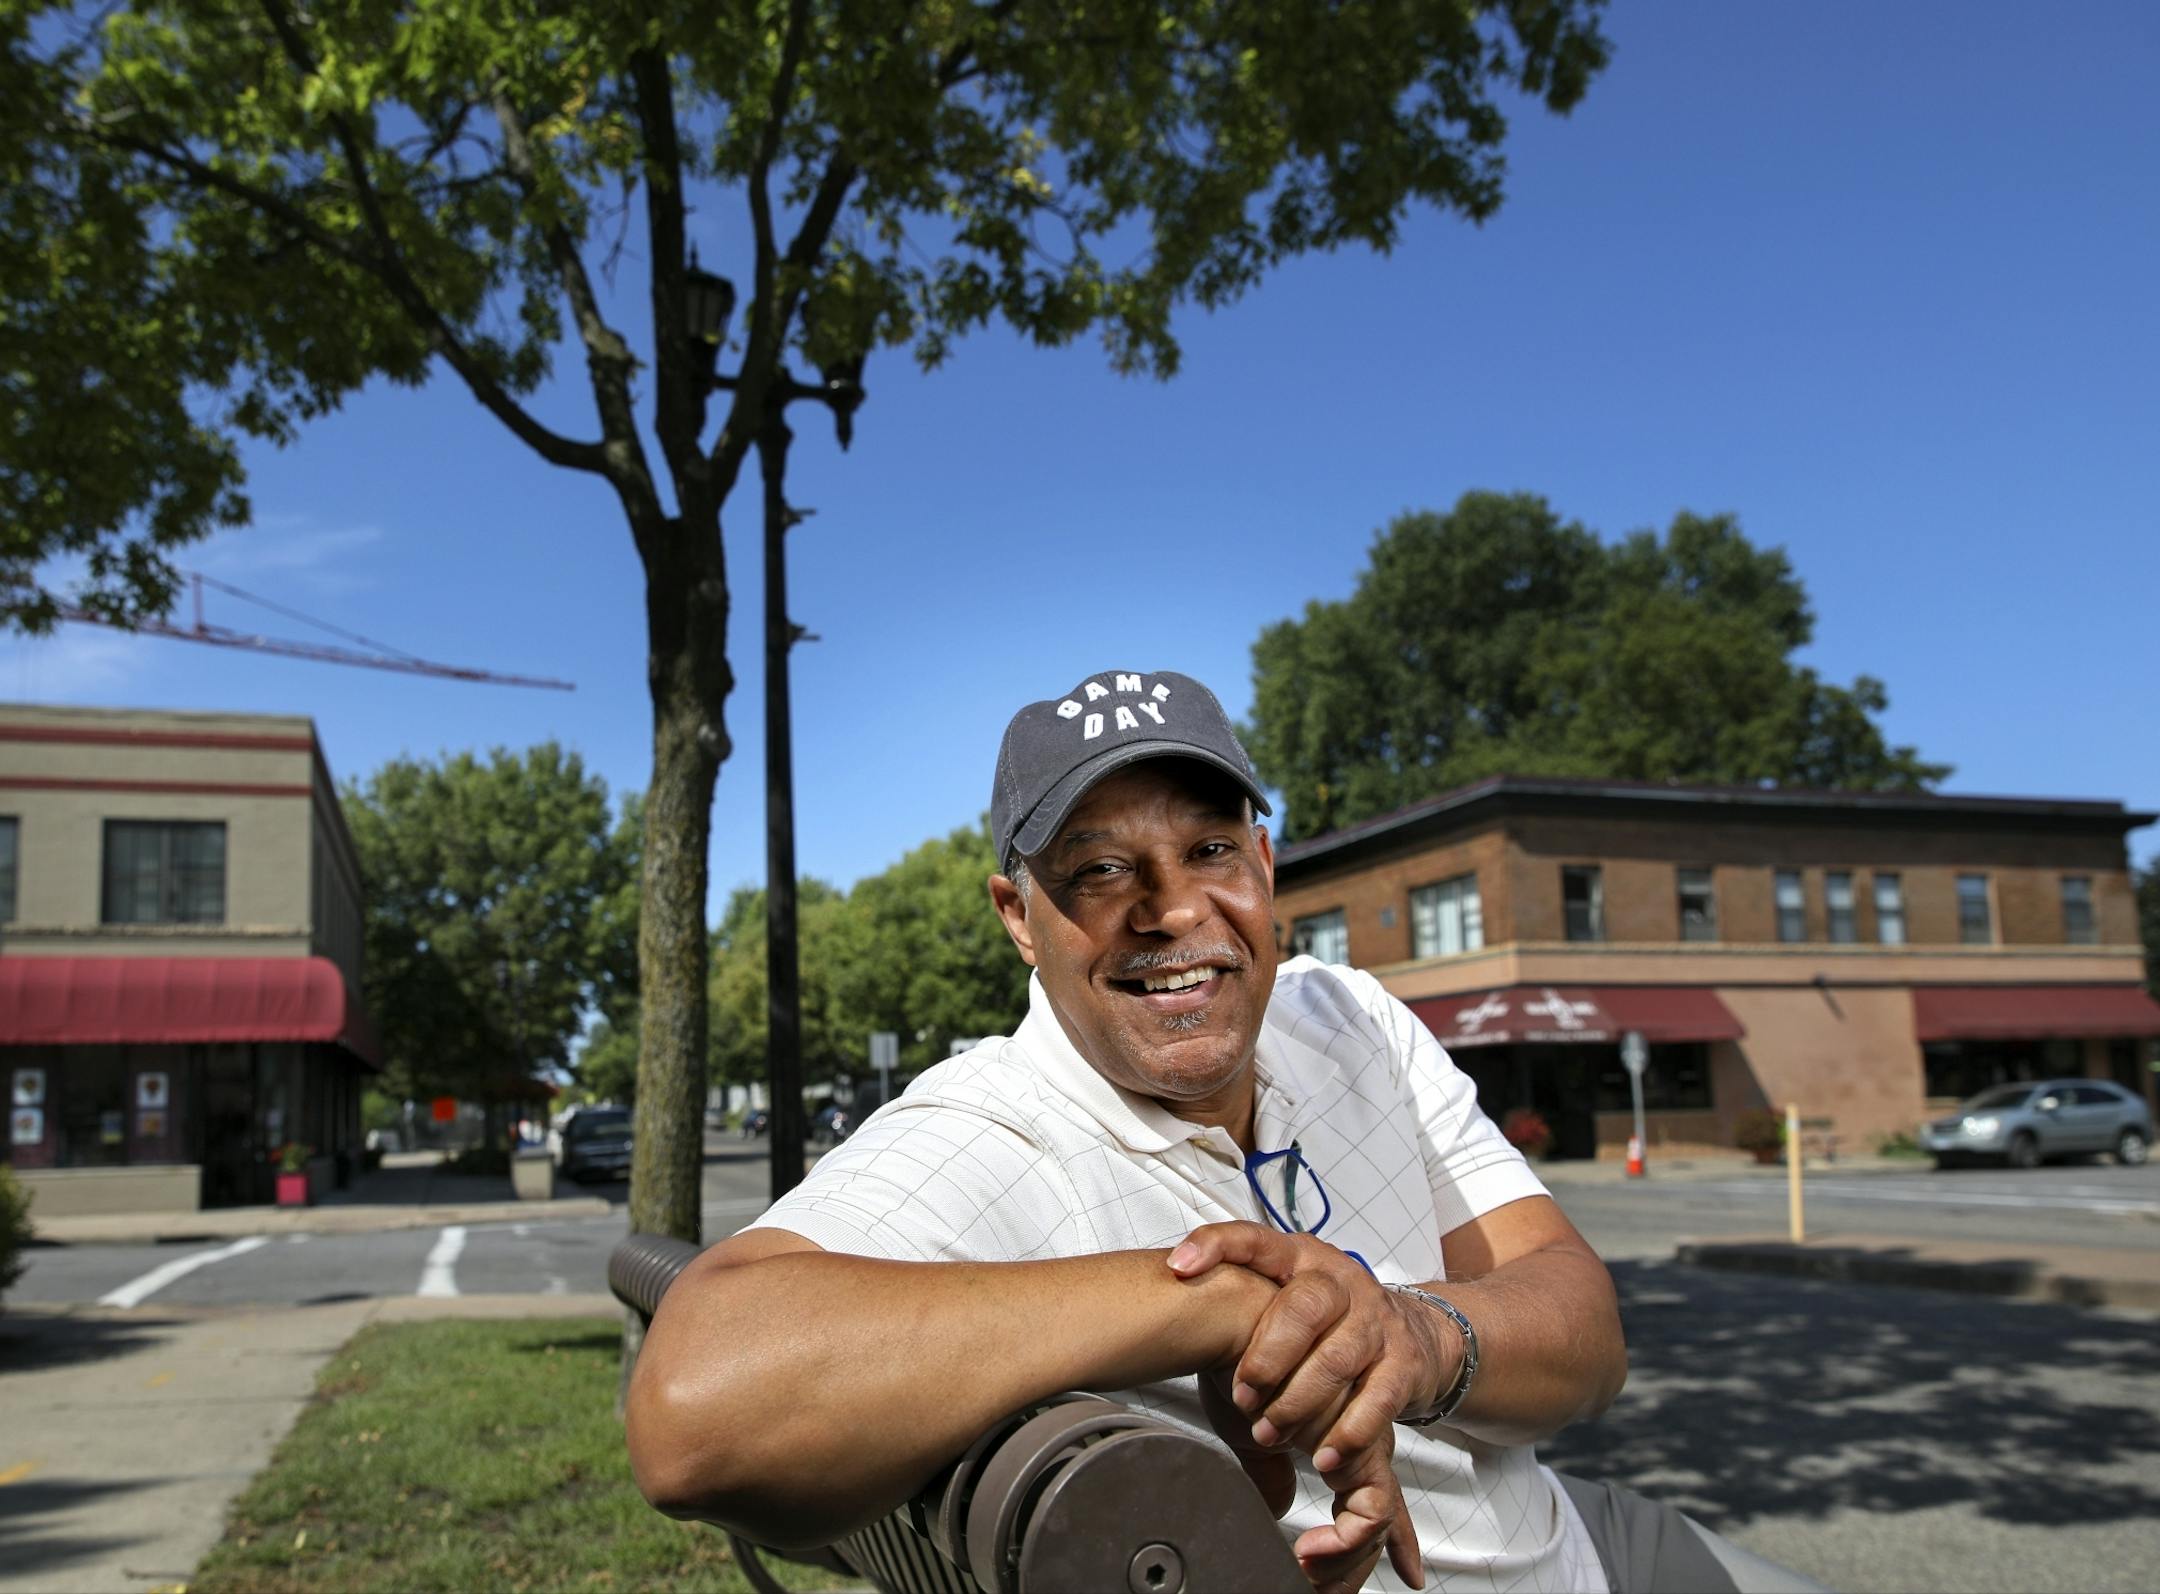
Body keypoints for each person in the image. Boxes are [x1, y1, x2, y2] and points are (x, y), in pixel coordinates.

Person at [626, 669, 1823, 1594]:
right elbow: (694, 1406)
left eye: (1207, 849)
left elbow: (1584, 1330)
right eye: (1099, 870)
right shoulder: (998, 1123)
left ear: (1264, 861)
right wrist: (1217, 1298)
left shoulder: (1347, 1012)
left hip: (1583, 1542)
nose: (1173, 909)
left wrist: (1410, 1334)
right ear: (1017, 918)